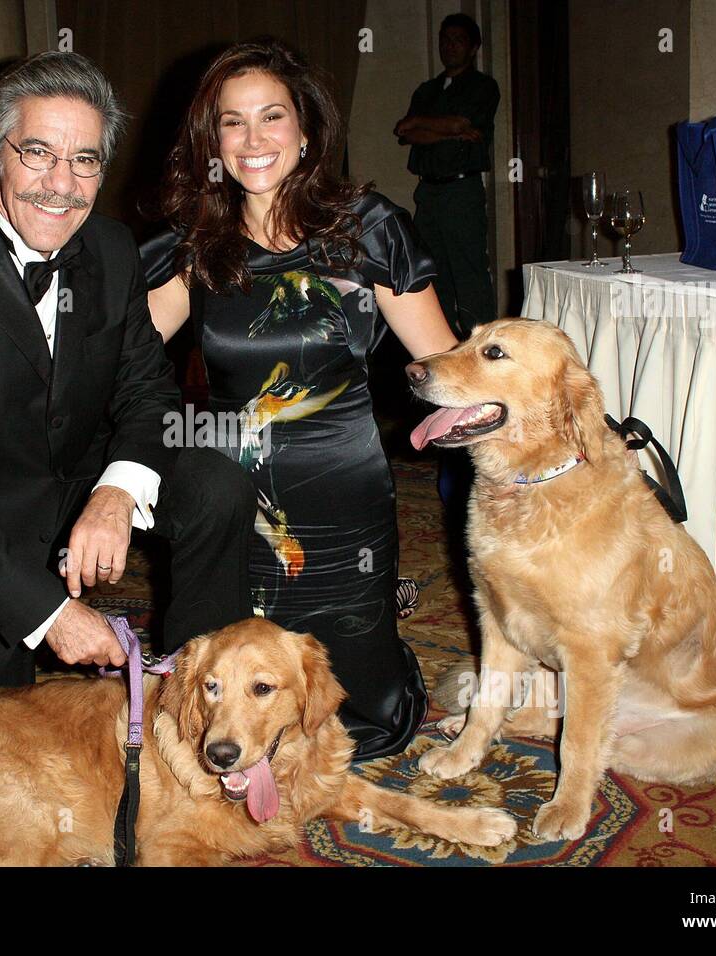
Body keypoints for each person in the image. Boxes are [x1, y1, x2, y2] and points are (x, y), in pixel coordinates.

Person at [0, 52, 255, 708]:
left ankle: (202, 685)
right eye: (37, 152)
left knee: (215, 484)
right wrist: (51, 615)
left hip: (76, 480)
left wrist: (115, 495)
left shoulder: (111, 249)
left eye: (85, 160)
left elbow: (147, 391)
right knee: (8, 757)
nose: (62, 185)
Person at [142, 39, 459, 761]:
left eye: (272, 117)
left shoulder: (367, 229)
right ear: (211, 140)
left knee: (357, 710)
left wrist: (540, 412)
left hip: (346, 494)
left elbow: (443, 362)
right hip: (238, 495)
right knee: (235, 682)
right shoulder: (194, 247)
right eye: (232, 122)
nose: (253, 140)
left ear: (307, 131)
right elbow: (121, 364)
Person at [394, 12, 500, 339]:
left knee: (469, 273)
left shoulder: (483, 86)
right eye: (445, 40)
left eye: (457, 40)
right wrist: (449, 130)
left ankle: (483, 347)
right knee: (431, 271)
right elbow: (405, 131)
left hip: (461, 191)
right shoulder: (428, 90)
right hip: (428, 192)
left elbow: (461, 122)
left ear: (472, 48)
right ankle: (439, 347)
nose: (449, 46)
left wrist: (425, 125)